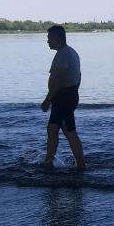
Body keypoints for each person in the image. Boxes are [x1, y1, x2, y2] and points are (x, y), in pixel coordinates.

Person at [40, 24, 86, 170]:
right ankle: (49, 161)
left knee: (69, 130)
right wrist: (74, 92)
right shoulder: (71, 52)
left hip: (63, 98)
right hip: (66, 96)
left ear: (56, 38)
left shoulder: (63, 54)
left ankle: (81, 165)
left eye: (49, 38)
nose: (47, 41)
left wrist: (48, 99)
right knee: (53, 129)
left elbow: (58, 80)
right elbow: (79, 76)